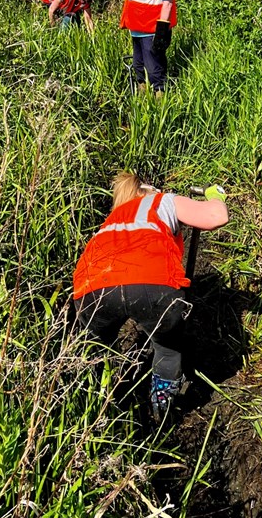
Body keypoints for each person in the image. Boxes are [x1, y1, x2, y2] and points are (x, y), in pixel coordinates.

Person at [73, 172, 228, 420]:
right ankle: (161, 413)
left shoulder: (112, 220)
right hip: (152, 284)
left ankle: (93, 408)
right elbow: (215, 216)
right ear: (146, 190)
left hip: (92, 288)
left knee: (95, 350)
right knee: (168, 349)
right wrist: (214, 196)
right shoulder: (161, 201)